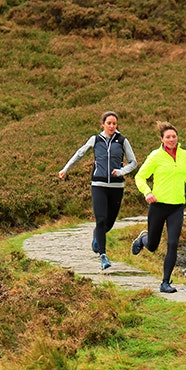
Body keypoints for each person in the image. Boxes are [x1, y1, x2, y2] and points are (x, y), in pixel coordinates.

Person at [58, 111, 138, 270]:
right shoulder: (95, 139)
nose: (112, 126)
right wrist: (65, 169)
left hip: (116, 187)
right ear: (103, 124)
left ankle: (97, 236)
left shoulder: (122, 141)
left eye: (114, 123)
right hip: (98, 185)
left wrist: (121, 172)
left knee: (109, 222)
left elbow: (133, 162)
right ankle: (103, 256)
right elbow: (79, 154)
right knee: (100, 220)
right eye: (109, 123)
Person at [131, 122, 186, 293]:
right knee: (153, 245)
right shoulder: (155, 156)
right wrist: (147, 193)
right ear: (161, 139)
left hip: (177, 206)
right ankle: (143, 239)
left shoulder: (184, 154)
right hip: (158, 205)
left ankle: (165, 282)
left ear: (177, 138)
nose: (171, 139)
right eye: (168, 137)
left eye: (174, 136)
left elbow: (185, 173)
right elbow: (140, 177)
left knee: (173, 243)